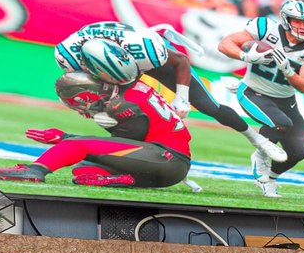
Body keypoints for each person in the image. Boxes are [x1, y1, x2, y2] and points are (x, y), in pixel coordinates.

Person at [54, 19, 286, 165]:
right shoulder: (68, 56)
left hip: (143, 54)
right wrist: (94, 112)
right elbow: (78, 92)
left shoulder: (145, 49)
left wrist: (182, 98)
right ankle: (133, 158)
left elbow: (181, 61)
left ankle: (258, 140)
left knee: (208, 106)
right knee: (114, 111)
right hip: (110, 64)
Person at [0, 39, 193, 188]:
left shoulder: (120, 103)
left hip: (165, 158)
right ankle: (124, 179)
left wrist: (65, 138)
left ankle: (34, 171)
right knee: (83, 170)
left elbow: (130, 141)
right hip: (164, 165)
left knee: (76, 147)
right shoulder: (133, 86)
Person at [216, 0, 304, 198]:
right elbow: (225, 44)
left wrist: (288, 71)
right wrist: (246, 56)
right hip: (252, 91)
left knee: (298, 152)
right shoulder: (265, 28)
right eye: (298, 21)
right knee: (281, 123)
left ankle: (267, 180)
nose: (303, 27)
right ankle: (260, 155)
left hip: (286, 100)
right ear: (286, 20)